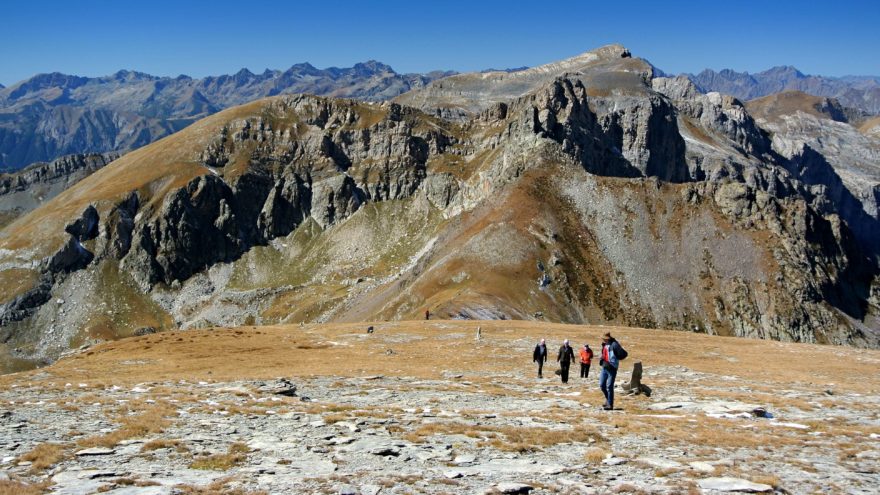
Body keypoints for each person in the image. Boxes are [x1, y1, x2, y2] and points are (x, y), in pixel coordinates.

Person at [599, 332, 624, 410]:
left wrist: (615, 361)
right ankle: (608, 400)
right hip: (605, 367)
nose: (603, 340)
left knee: (609, 386)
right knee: (602, 385)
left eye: (604, 338)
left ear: (607, 338)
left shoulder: (615, 344)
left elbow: (623, 354)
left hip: (612, 368)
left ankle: (610, 404)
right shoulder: (605, 344)